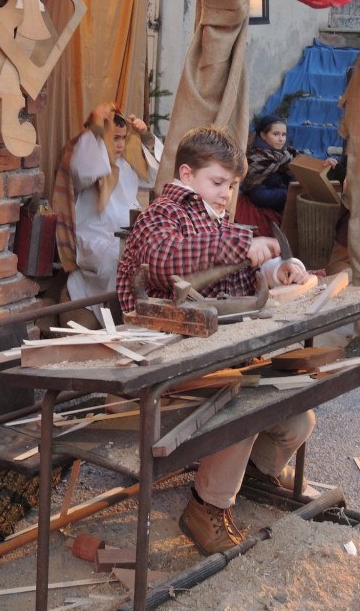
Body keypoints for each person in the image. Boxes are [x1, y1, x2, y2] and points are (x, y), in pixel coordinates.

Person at [116, 126, 313, 555]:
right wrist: (241, 243)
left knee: (298, 417)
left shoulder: (216, 220)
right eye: (218, 182)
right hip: (166, 362)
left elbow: (235, 276)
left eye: (232, 185)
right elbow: (168, 261)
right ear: (187, 174)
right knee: (242, 409)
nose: (226, 194)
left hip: (213, 354)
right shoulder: (161, 216)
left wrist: (273, 271)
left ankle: (254, 474)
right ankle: (207, 506)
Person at [52, 103, 162, 324]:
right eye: (114, 138)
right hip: (92, 237)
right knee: (113, 262)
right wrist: (95, 129)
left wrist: (146, 137)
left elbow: (155, 176)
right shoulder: (90, 162)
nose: (120, 144)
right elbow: (82, 171)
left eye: (124, 138)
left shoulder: (128, 164)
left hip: (126, 237)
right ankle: (114, 318)